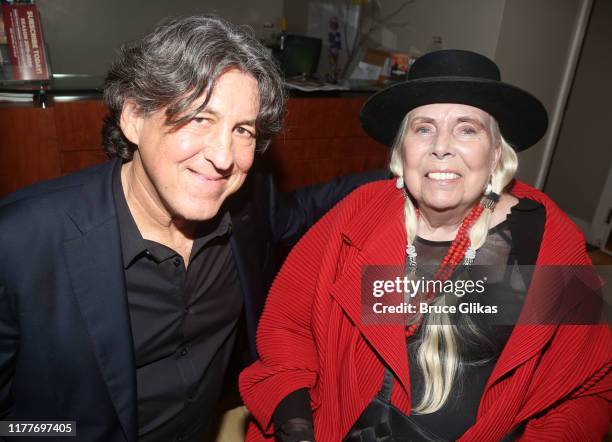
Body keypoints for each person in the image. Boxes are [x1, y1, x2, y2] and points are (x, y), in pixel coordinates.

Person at [0, 15, 385, 442]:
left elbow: (314, 204)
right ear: (133, 117)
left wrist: (423, 171)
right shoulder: (19, 242)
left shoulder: (249, 207)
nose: (224, 156)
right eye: (200, 118)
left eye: (242, 130)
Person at [240, 49, 612, 441]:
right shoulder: (358, 217)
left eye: (467, 128)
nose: (441, 146)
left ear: (497, 152)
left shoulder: (545, 241)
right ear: (402, 150)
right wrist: (295, 424)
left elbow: (589, 387)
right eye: (423, 128)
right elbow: (288, 327)